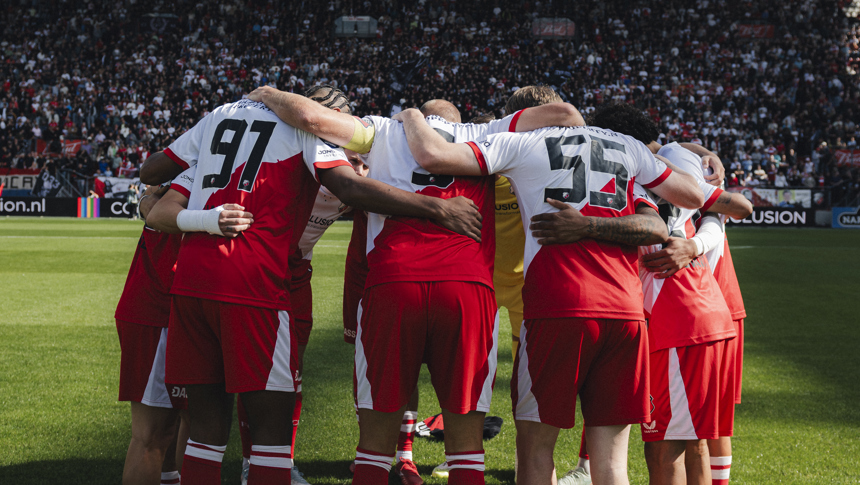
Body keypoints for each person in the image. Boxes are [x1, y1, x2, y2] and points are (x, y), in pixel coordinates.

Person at [247, 85, 586, 485]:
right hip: (467, 288)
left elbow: (311, 118)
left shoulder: (381, 130)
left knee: (373, 447)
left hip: (393, 281)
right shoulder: (487, 134)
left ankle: (387, 460)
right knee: (466, 450)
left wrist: (267, 92)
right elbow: (567, 114)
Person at [141, 96, 483, 485]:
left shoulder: (221, 114)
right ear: (323, 114)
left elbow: (151, 169)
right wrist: (437, 207)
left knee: (204, 433)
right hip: (254, 282)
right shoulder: (306, 132)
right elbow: (351, 190)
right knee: (271, 433)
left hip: (190, 282)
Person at [394, 87, 704, 485]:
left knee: (535, 446)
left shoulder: (517, 143)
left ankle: (455, 453)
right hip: (624, 311)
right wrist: (679, 153)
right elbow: (688, 198)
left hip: (554, 302)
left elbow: (432, 155)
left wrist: (409, 115)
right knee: (612, 464)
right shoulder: (626, 146)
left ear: (518, 118)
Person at [586, 103, 746, 485]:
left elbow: (734, 207)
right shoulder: (671, 169)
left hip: (678, 321)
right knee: (691, 442)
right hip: (698, 315)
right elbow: (732, 206)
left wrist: (691, 244)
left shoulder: (640, 178)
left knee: (662, 448)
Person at [115, 183, 190, 485]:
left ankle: (171, 477)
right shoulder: (186, 166)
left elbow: (151, 196)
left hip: (177, 308)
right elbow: (154, 200)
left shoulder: (177, 169)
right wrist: (148, 200)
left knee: (187, 425)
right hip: (158, 311)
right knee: (153, 436)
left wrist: (147, 199)